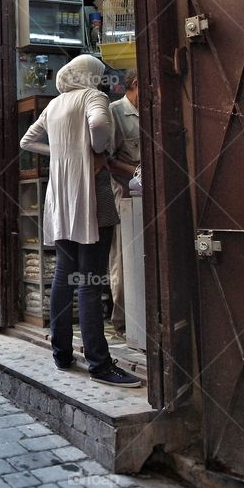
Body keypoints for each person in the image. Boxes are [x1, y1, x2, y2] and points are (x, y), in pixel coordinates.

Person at [20, 54, 141, 387]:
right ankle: (99, 364)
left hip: (60, 198)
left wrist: (61, 152)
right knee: (90, 281)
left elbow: (27, 141)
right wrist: (95, 150)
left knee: (64, 274)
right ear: (90, 76)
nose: (102, 80)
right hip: (91, 196)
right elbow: (100, 125)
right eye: (100, 74)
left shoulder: (56, 104)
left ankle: (61, 354)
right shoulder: (93, 97)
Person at [107, 70, 141, 337]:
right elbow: (107, 160)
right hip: (124, 195)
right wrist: (136, 173)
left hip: (146, 195)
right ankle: (121, 321)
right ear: (136, 84)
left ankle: (142, 315)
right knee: (123, 254)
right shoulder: (115, 111)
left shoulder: (148, 110)